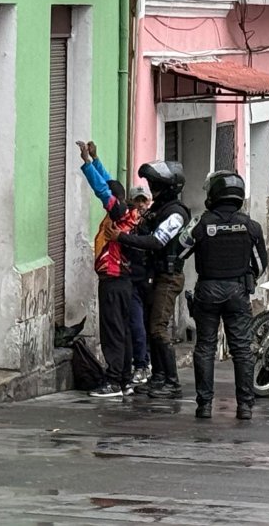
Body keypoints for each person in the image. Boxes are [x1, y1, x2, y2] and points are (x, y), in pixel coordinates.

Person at [177, 171, 268, 420]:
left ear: (213, 194)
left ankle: (204, 406)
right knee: (242, 349)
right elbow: (261, 264)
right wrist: (246, 277)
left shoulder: (201, 223)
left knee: (205, 347)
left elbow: (180, 250)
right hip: (238, 291)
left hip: (208, 290)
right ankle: (245, 407)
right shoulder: (251, 226)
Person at [109, 160, 190, 399]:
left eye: (156, 185)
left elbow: (157, 242)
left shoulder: (176, 214)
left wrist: (122, 238)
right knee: (149, 325)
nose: (152, 189)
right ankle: (158, 378)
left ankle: (172, 382)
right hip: (153, 276)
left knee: (157, 328)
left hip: (169, 276)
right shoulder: (159, 210)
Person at [79, 140, 139, 398]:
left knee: (113, 331)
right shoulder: (127, 212)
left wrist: (87, 163)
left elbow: (103, 190)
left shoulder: (119, 214)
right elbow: (112, 185)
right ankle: (124, 378)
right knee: (122, 330)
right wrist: (97, 158)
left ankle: (114, 380)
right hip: (122, 281)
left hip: (114, 281)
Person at [126, 186, 152, 385]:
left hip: (150, 280)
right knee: (137, 323)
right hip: (134, 280)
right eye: (138, 201)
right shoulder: (128, 223)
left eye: (144, 201)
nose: (141, 205)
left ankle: (147, 362)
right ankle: (141, 364)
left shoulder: (153, 222)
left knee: (150, 324)